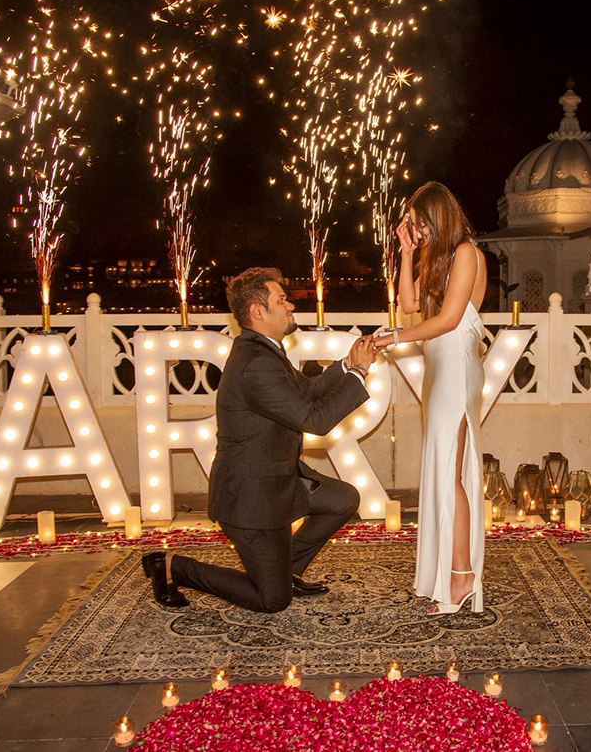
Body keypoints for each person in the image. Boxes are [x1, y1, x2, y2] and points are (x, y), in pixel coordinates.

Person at [142, 267, 375, 613]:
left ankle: (285, 571)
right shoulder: (256, 364)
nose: (290, 306)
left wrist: (346, 365)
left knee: (343, 499)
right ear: (257, 311)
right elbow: (315, 420)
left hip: (279, 478)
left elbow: (306, 390)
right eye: (281, 300)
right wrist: (359, 373)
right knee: (272, 601)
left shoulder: (263, 351)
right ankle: (173, 567)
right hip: (251, 498)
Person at [372, 182, 487, 615]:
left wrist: (393, 338)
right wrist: (404, 254)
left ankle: (461, 576)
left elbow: (450, 319)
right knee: (445, 472)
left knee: (450, 473)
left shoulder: (465, 253)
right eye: (412, 226)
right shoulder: (439, 257)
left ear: (438, 217)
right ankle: (457, 574)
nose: (416, 231)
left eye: (419, 224)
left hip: (455, 368)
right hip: (440, 369)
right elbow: (408, 303)